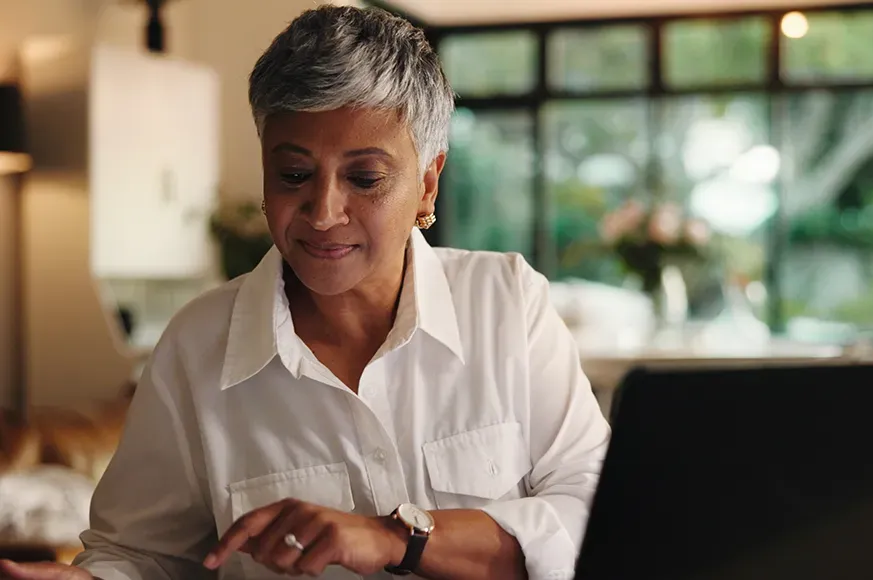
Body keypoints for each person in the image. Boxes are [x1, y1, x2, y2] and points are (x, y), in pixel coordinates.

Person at [0, 6, 610, 580]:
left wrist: (398, 538)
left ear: (428, 184)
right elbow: (139, 554)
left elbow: (596, 509)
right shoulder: (196, 347)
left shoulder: (505, 302)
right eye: (294, 175)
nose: (322, 212)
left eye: (364, 178)